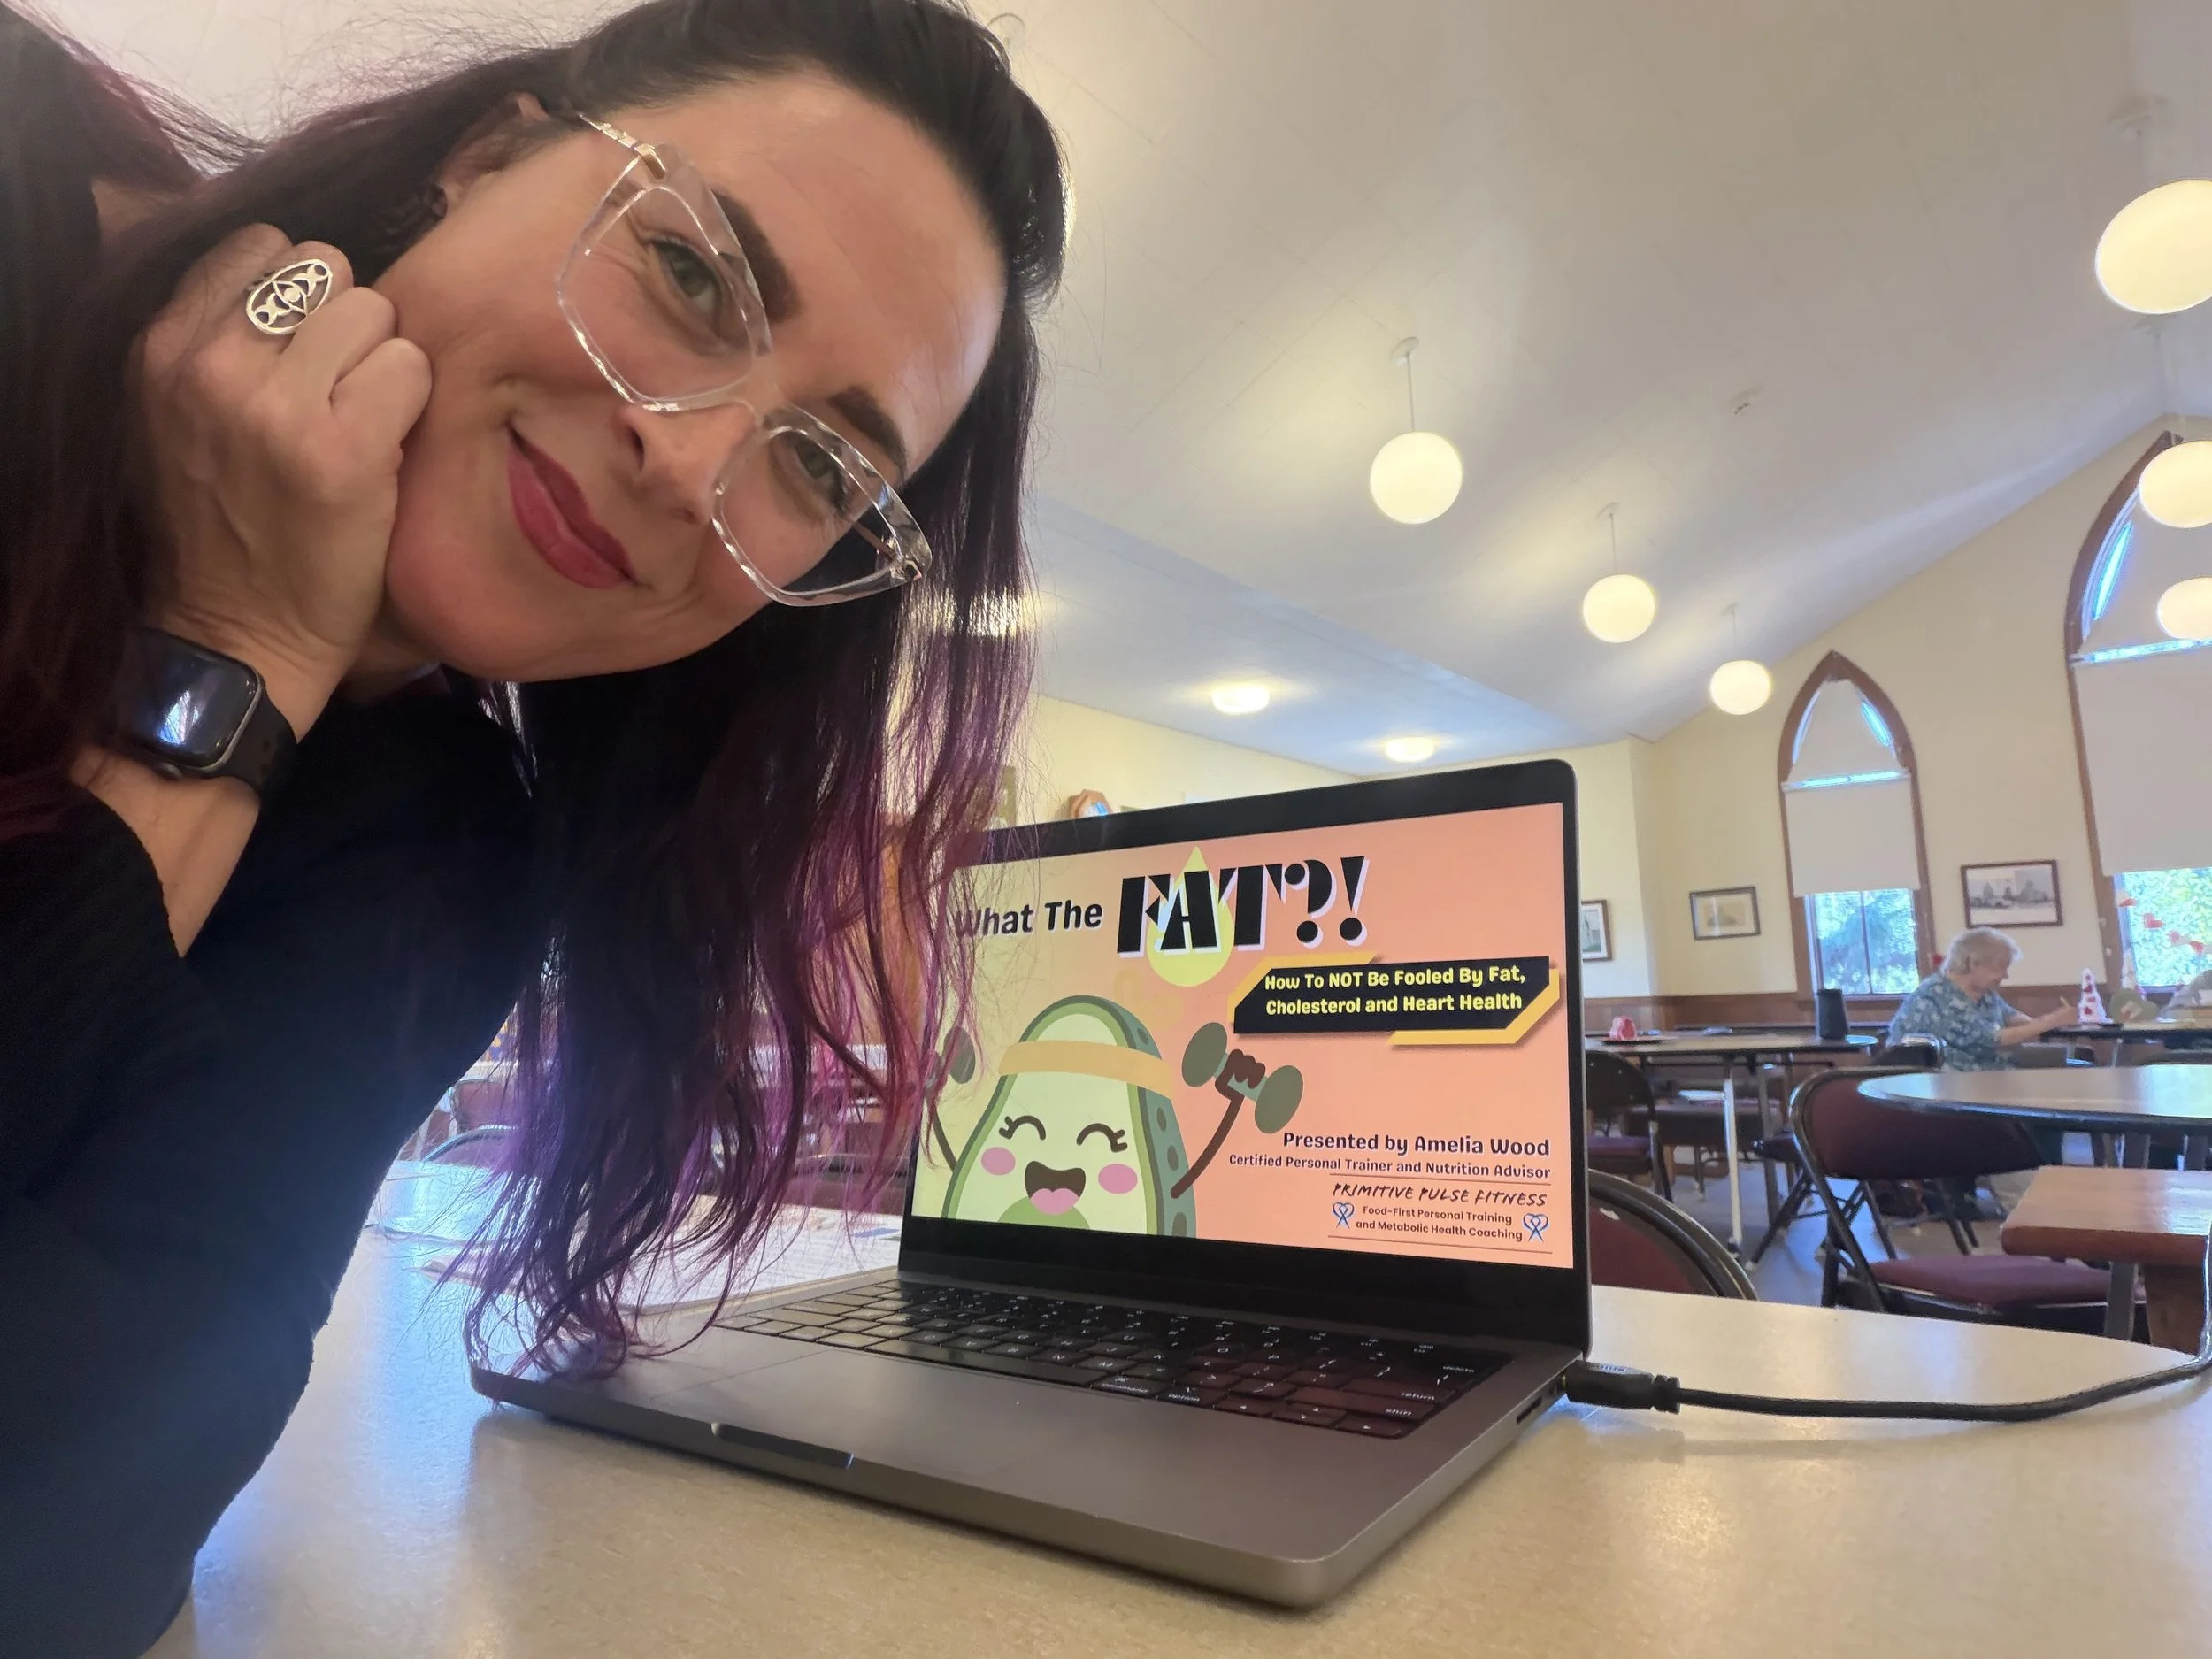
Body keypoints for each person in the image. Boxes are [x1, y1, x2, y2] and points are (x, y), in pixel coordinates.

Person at [0, 2, 1064, 1652]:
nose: (685, 457)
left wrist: (243, 648)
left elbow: (65, 1524)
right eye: (693, 273)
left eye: (817, 466)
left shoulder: (442, 852)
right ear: (486, 157)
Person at [1886, 927, 2075, 1071]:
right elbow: (1991, 1039)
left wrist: (2048, 1022)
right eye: (2000, 967)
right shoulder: (1938, 996)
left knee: (2071, 1063)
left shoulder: (1982, 990)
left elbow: (2010, 1016)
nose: (2005, 975)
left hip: (1987, 1075)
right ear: (1973, 963)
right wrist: (2049, 1022)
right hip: (1948, 1085)